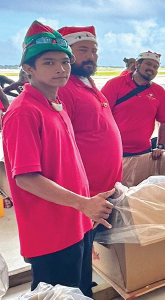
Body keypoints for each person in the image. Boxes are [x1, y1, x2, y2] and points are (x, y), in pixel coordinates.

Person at [3, 21, 114, 297]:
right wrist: (83, 203)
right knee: (58, 294)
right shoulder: (24, 112)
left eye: (65, 62)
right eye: (49, 63)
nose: (60, 69)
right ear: (29, 69)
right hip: (51, 235)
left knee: (80, 291)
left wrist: (86, 205)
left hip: (76, 222)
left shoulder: (55, 105)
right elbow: (27, 178)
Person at [56, 25, 123, 198]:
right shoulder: (63, 88)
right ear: (66, 53)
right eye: (83, 50)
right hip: (88, 192)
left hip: (106, 185)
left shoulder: (87, 81)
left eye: (94, 51)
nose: (90, 56)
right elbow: (62, 145)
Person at [102, 51, 165, 158]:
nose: (152, 69)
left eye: (155, 66)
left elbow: (164, 122)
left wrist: (161, 146)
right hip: (113, 149)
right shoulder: (114, 84)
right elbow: (100, 115)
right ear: (136, 64)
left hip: (144, 152)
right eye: (148, 64)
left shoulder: (159, 91)